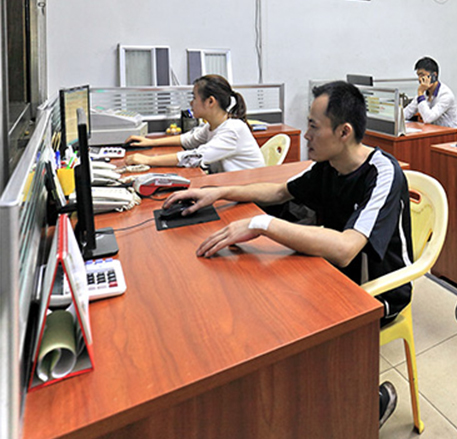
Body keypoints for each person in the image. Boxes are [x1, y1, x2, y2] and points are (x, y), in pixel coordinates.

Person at [163, 80, 411, 427]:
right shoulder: (328, 165)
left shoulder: (382, 173)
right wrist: (218, 192)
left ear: (344, 132)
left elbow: (345, 249)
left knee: (285, 318)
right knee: (262, 303)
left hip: (378, 289)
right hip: (332, 272)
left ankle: (365, 405)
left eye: (313, 126)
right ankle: (288, 405)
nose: (306, 135)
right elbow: (281, 191)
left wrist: (263, 225)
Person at [124, 74, 264, 173]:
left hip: (249, 193)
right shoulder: (212, 126)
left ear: (210, 101)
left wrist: (148, 160)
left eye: (194, 98)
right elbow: (189, 139)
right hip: (231, 186)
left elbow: (195, 157)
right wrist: (151, 142)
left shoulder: (232, 130)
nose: (191, 103)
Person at [403, 56, 457, 128]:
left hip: (449, 133)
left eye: (422, 75)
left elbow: (428, 118)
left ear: (434, 75)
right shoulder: (425, 92)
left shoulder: (446, 95)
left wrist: (420, 94)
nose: (419, 79)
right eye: (418, 75)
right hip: (433, 130)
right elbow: (407, 112)